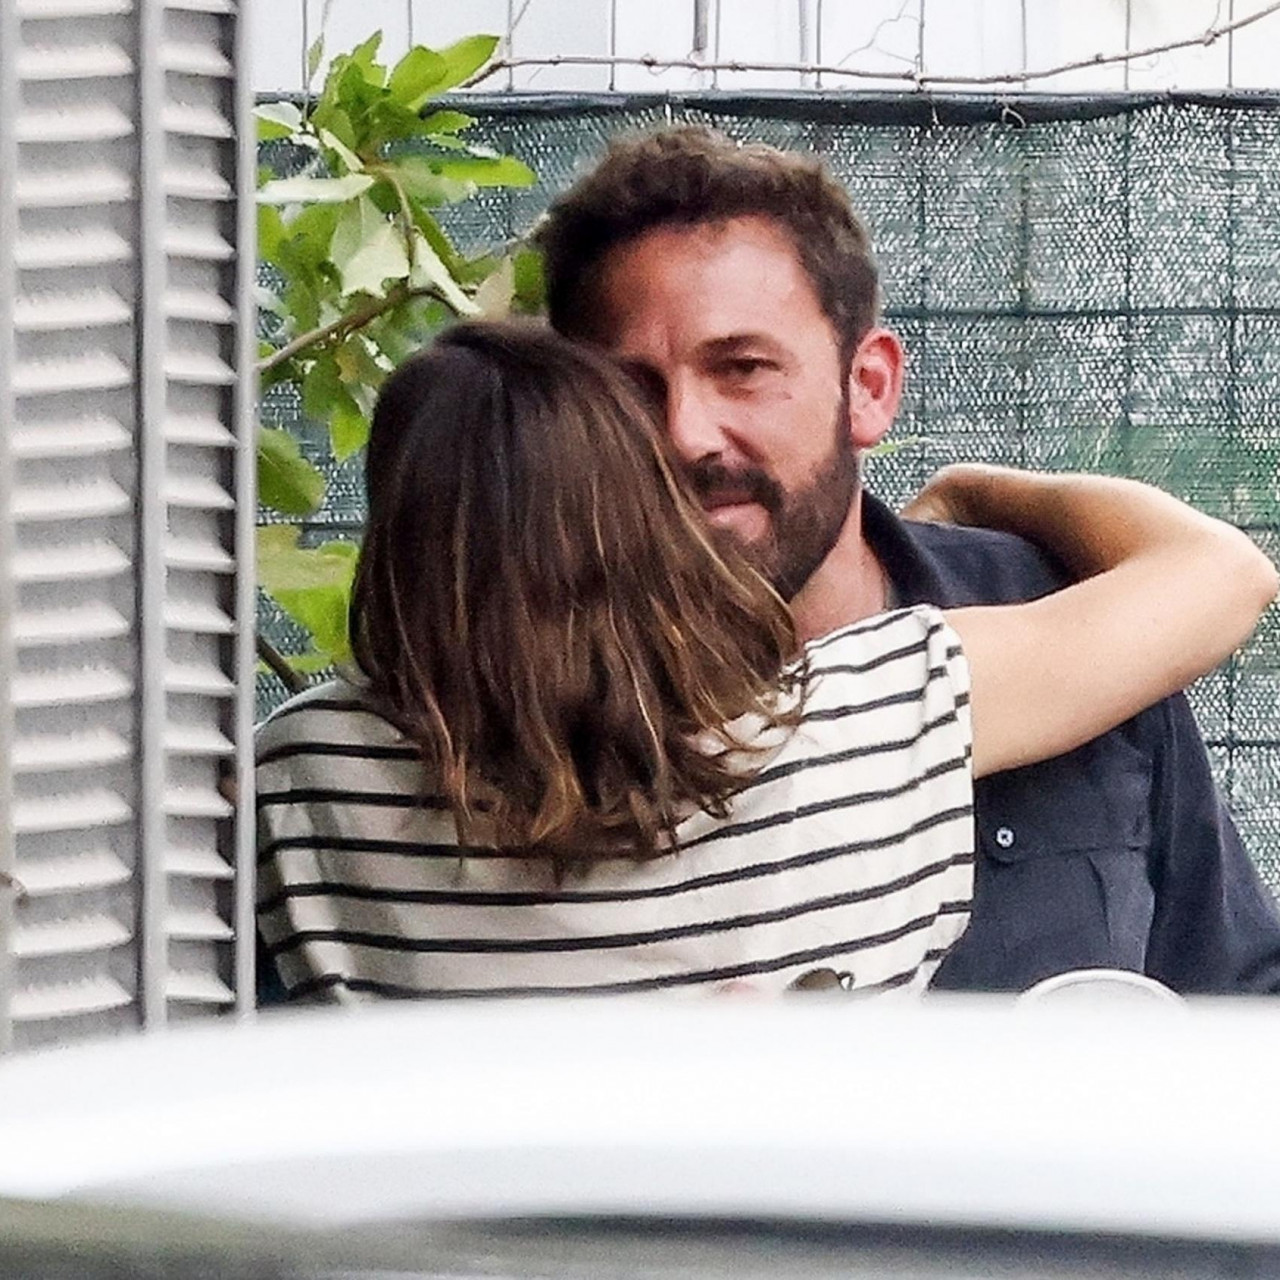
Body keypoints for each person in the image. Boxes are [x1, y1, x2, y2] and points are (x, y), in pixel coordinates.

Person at [255, 321, 1274, 1002]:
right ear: (643, 521)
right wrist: (976, 491)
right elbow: (1219, 571)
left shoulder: (301, 774)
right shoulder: (858, 720)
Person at [532, 126, 1280, 994]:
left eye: (742, 368)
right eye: (629, 391)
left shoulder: (1067, 616)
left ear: (869, 388)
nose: (685, 433)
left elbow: (1239, 992)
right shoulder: (519, 686)